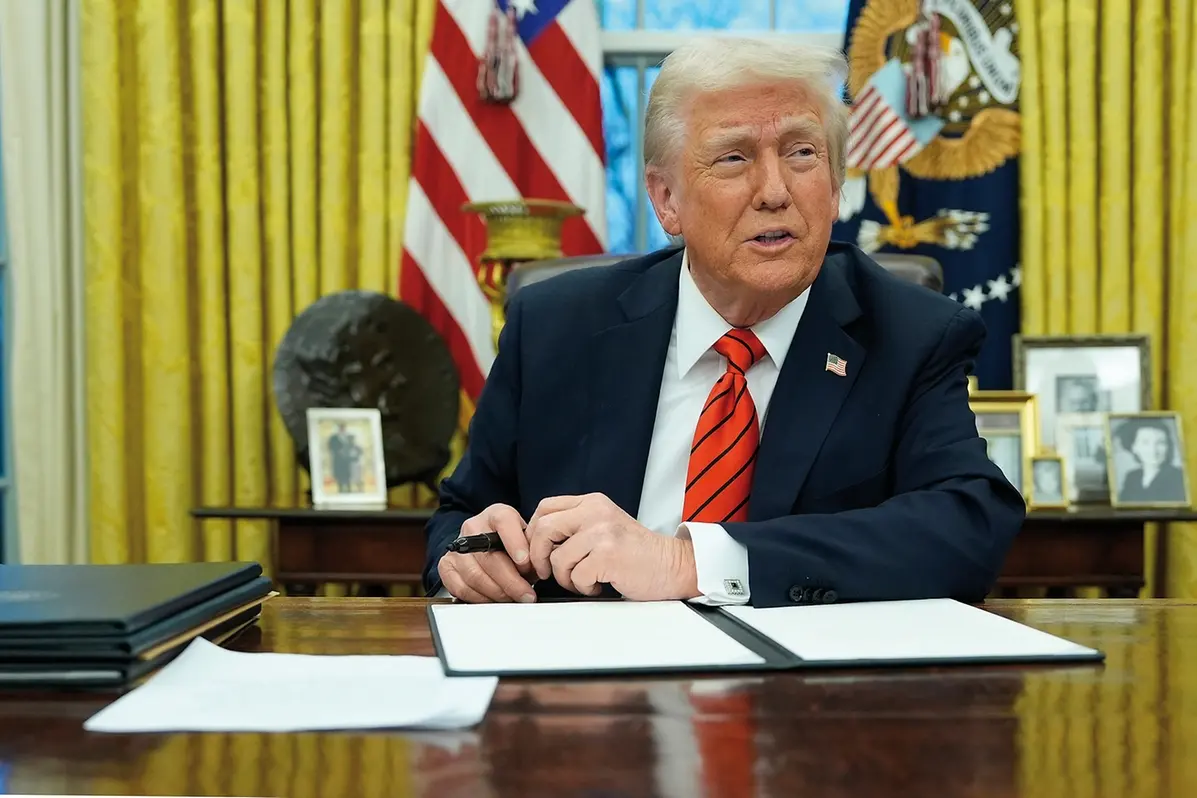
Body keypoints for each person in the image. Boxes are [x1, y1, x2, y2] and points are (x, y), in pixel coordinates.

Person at [423, 38, 1026, 608]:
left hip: (810, 701)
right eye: (733, 158)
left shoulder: (910, 334)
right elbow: (460, 517)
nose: (774, 191)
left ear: (837, 184)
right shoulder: (555, 326)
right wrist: (469, 557)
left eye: (802, 153)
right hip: (593, 695)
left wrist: (689, 564)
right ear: (666, 200)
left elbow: (968, 525)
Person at [1116, 418, 1188, 503]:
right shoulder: (1132, 477)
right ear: (1134, 447)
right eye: (1145, 442)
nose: (1153, 450)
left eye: (1161, 443)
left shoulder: (1179, 477)